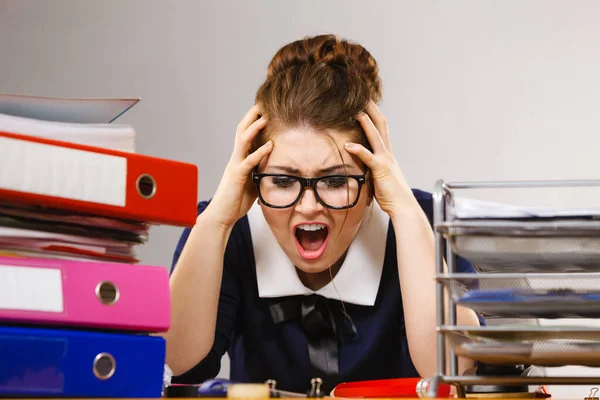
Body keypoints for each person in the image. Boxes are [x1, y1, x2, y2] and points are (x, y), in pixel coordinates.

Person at [164, 33, 481, 394]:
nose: (309, 206)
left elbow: (459, 371)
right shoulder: (224, 229)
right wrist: (218, 220)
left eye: (335, 181)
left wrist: (405, 211)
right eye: (283, 180)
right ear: (254, 179)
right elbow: (172, 362)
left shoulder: (427, 221)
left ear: (372, 179)